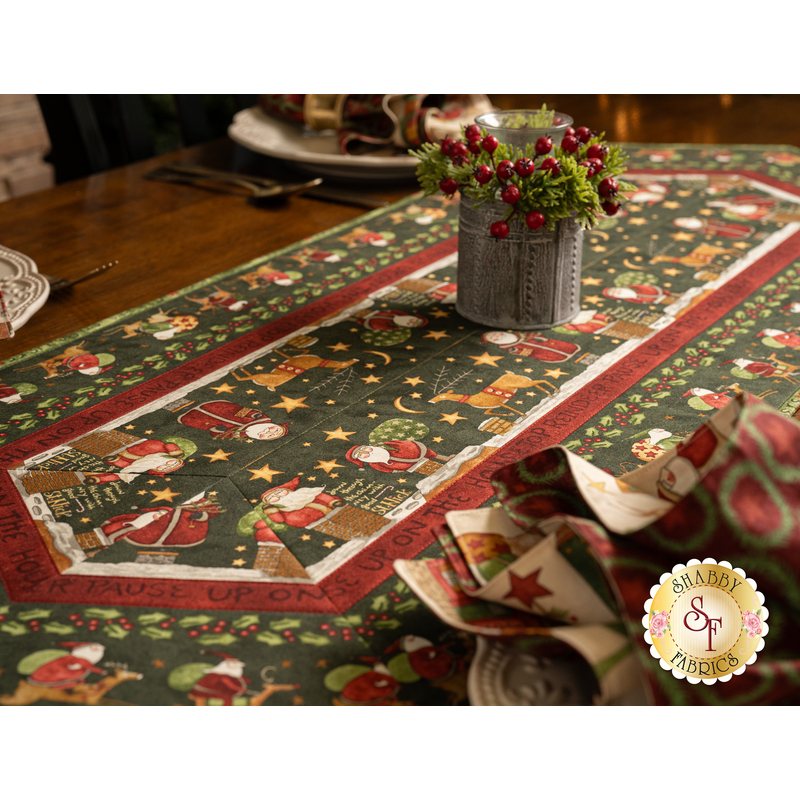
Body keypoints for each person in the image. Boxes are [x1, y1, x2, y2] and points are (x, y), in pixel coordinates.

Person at [178, 401, 289, 441]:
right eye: (276, 430)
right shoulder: (262, 418)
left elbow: (218, 434)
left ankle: (179, 408)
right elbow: (245, 411)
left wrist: (218, 430)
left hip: (209, 421)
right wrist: (252, 414)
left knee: (193, 418)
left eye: (271, 436)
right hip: (225, 410)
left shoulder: (240, 434)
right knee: (211, 406)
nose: (270, 432)